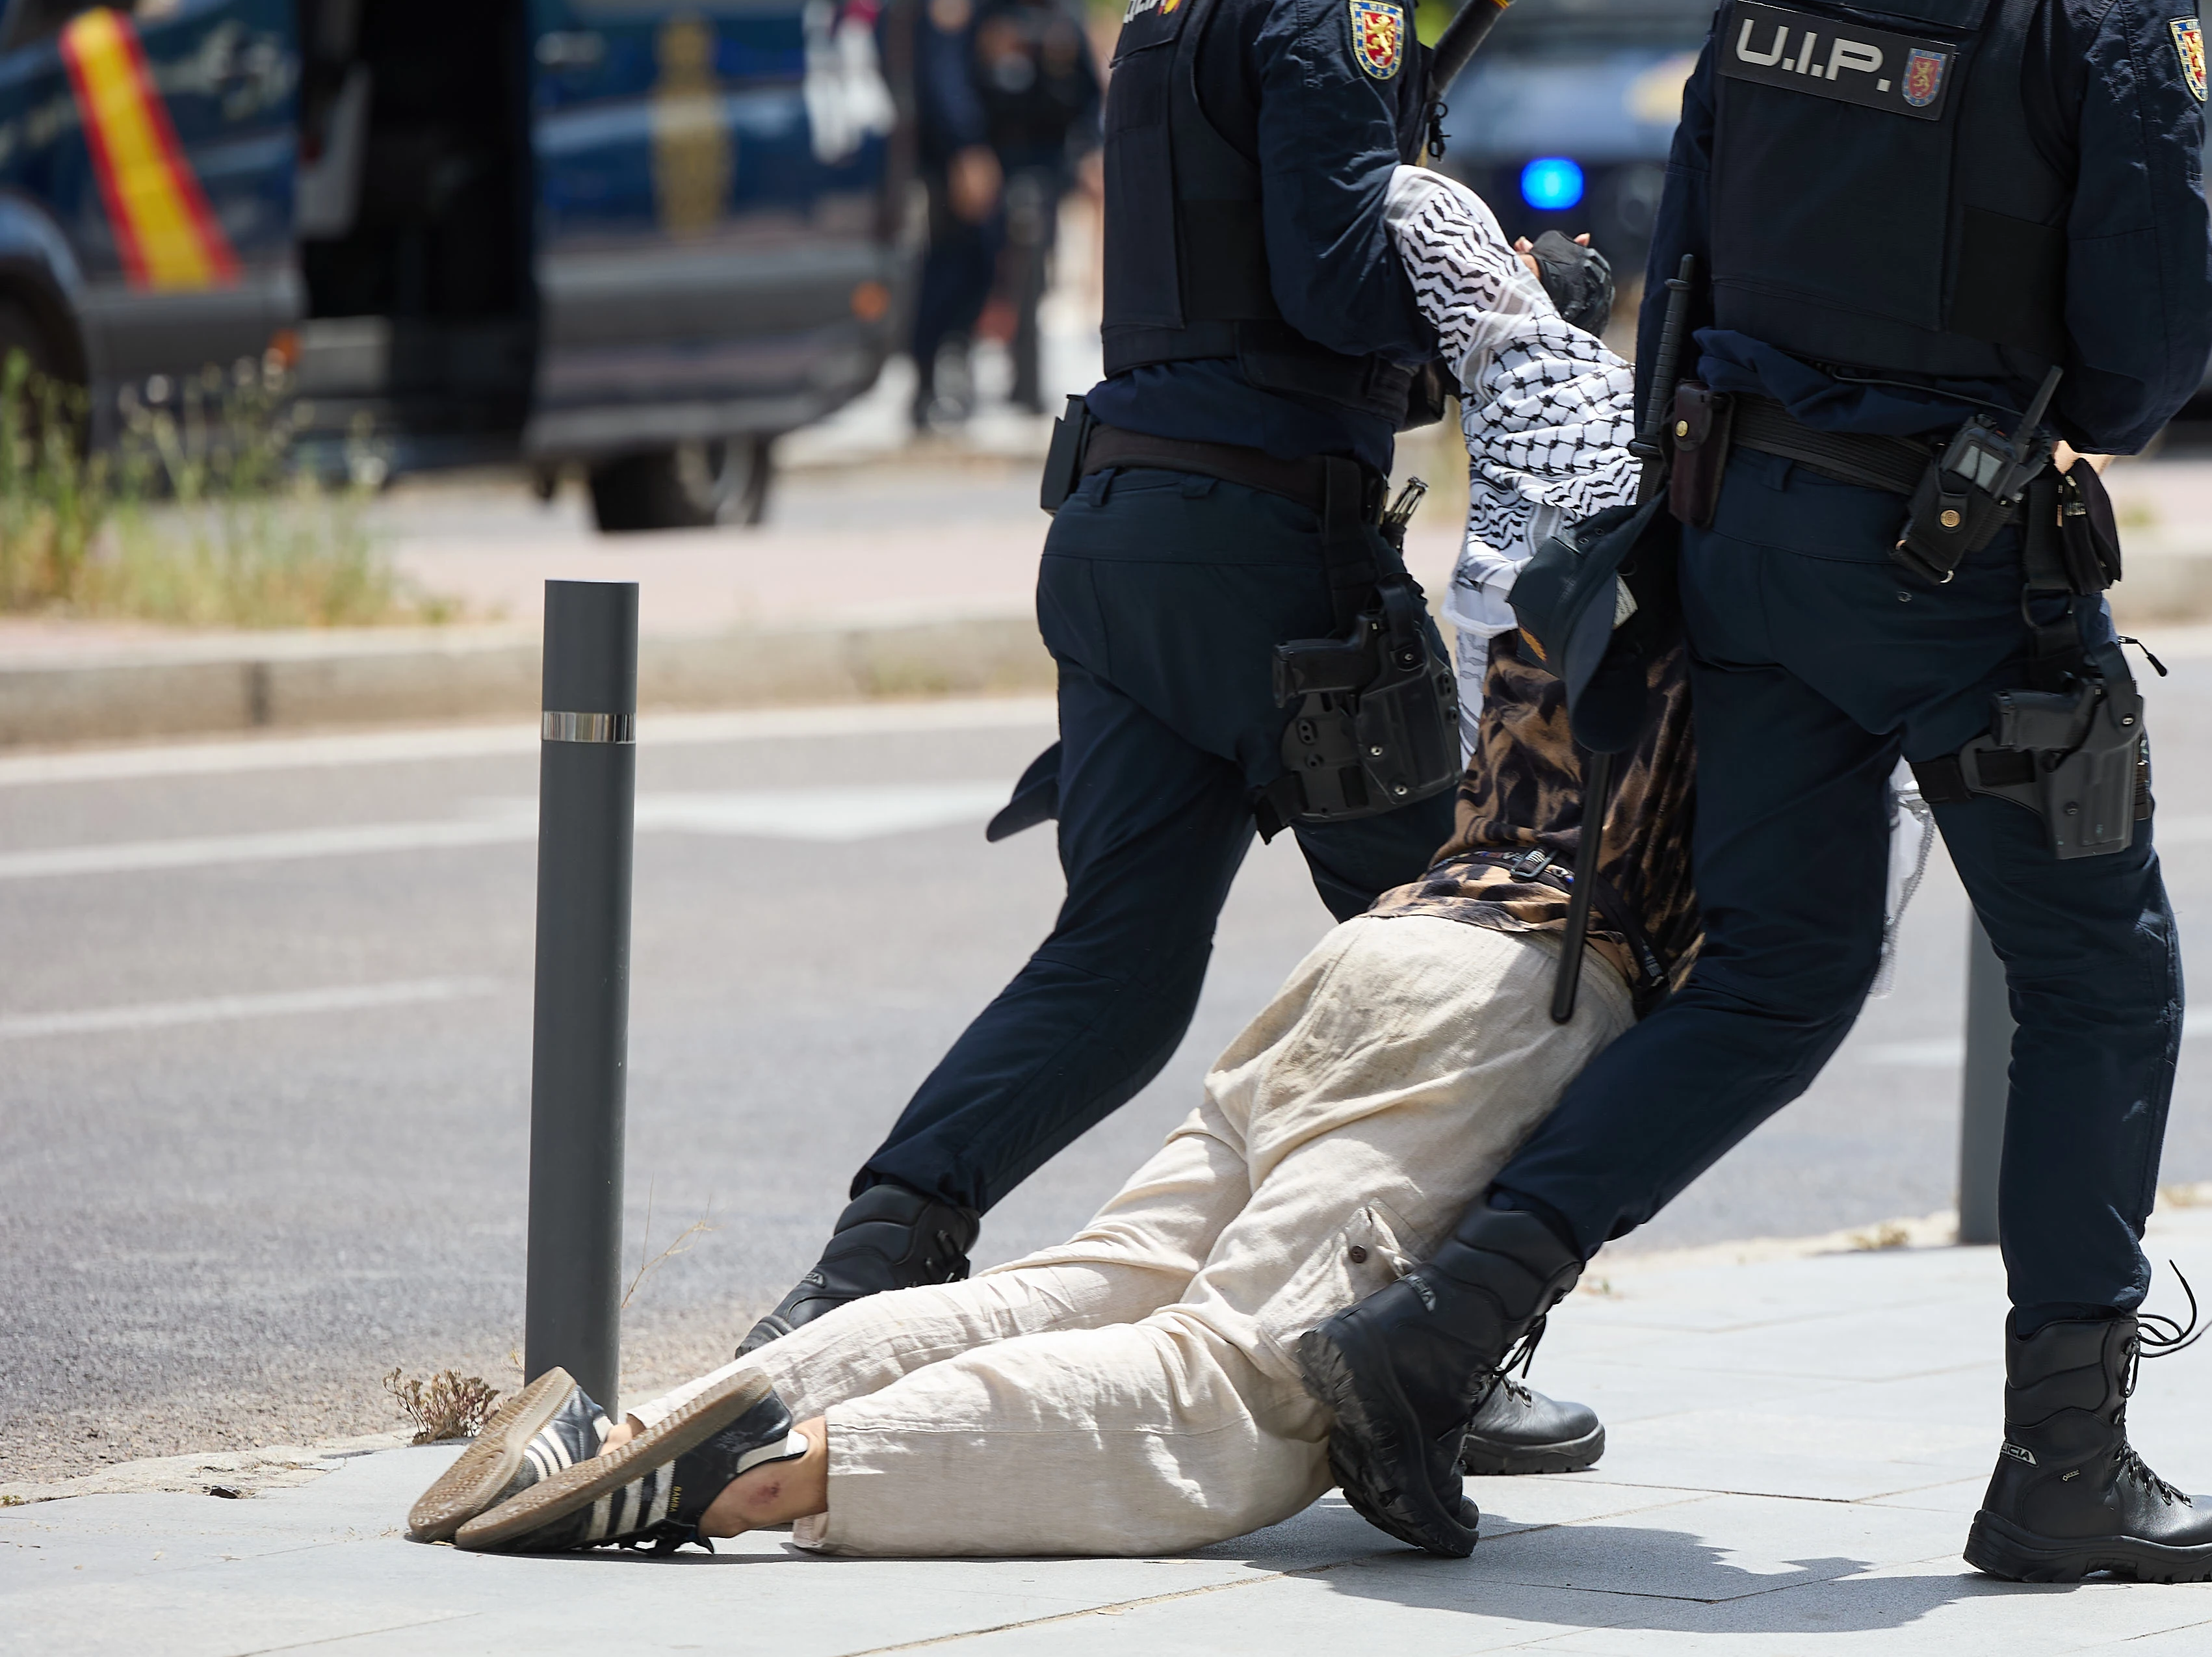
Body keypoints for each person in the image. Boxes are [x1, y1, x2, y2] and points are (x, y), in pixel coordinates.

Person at [1294, 0, 2212, 1584]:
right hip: (1959, 568)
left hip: (1736, 542)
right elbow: (2148, 368)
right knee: (2099, 971)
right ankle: (2065, 1459)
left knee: (1774, 976)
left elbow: (1683, 284)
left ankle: (1423, 1339)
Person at [403, 171, 1706, 1561]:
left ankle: (623, 1431)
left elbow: (1413, 221)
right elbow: (1781, 965)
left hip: (1378, 948)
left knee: (1087, 1282)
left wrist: (1510, 279)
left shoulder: (1557, 417)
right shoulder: (1837, 613)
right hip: (1510, 996)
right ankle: (746, 1479)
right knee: (1226, 1395)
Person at [735, 0, 1596, 1482]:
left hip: (1128, 537)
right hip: (1276, 563)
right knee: (1470, 957)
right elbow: (1345, 278)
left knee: (1118, 968)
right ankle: (1425, 1346)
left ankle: (859, 1271)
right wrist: (1524, 277)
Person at [976, 0, 1102, 415]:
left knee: (1035, 259)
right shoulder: (982, 3)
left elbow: (1088, 95)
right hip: (992, 154)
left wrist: (1089, 154)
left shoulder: (1065, 3)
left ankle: (1026, 385)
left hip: (1047, 158)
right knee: (982, 267)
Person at [908, 0, 1011, 430]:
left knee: (973, 262)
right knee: (950, 266)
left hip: (964, 152)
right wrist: (967, 149)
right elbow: (943, 80)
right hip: (948, 159)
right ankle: (927, 383)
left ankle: (946, 372)